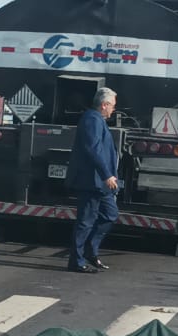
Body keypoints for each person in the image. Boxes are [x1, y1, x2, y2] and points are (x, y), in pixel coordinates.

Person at [64, 87, 119, 274]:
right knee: (85, 221)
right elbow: (93, 149)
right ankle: (76, 261)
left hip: (100, 183)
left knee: (110, 214)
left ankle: (90, 250)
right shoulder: (91, 120)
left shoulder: (98, 120)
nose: (113, 110)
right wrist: (106, 174)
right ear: (104, 105)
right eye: (112, 106)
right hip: (91, 181)